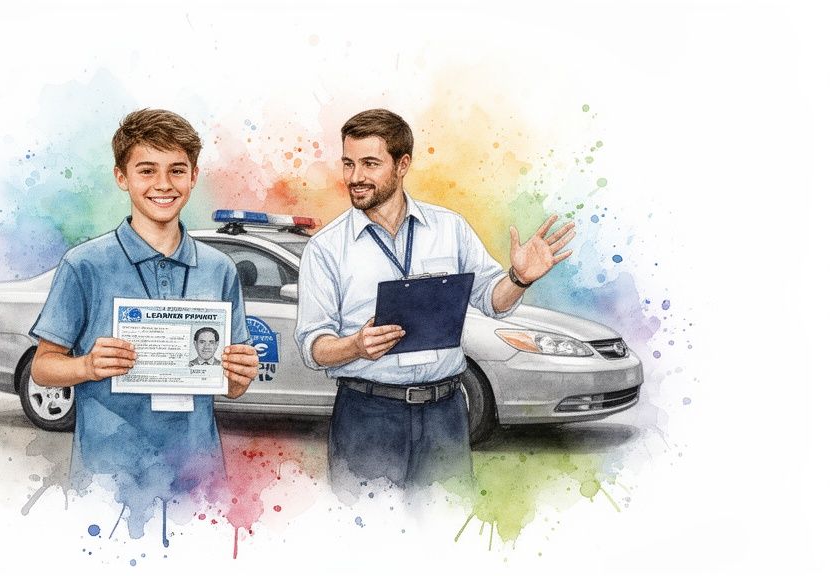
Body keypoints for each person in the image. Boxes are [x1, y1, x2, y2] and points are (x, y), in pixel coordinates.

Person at [294, 109, 574, 494]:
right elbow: (313, 345)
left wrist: (519, 277)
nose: (355, 177)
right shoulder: (325, 248)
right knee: (365, 538)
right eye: (348, 164)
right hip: (366, 415)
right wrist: (354, 346)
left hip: (445, 415)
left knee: (447, 538)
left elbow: (493, 301)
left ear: (403, 164)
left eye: (370, 164)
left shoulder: (450, 229)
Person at [28, 108, 259, 537]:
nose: (163, 184)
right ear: (122, 177)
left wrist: (240, 376)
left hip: (196, 471)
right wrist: (86, 367)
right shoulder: (84, 265)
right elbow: (43, 366)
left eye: (177, 170)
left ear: (193, 176)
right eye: (147, 170)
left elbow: (231, 383)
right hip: (109, 471)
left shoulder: (220, 269)